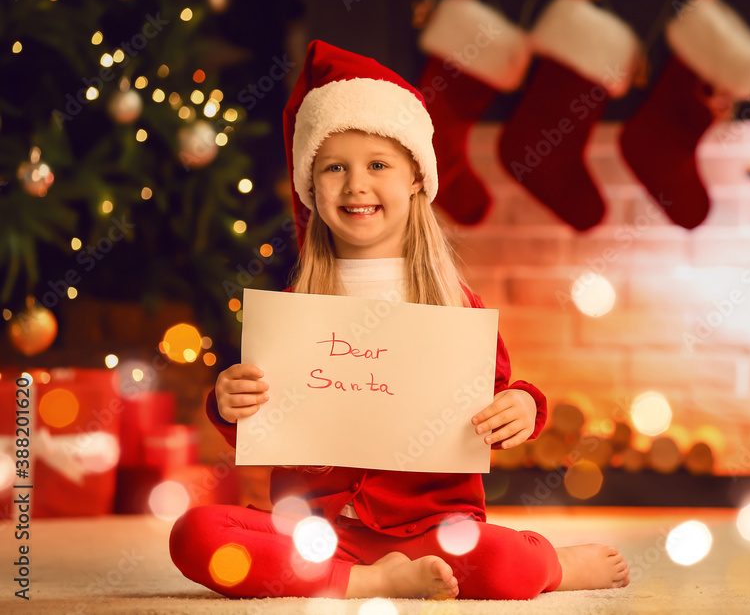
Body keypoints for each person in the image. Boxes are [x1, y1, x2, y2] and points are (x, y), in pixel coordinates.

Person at [168, 40, 630, 601]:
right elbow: (262, 424)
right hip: (315, 533)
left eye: (378, 165)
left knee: (509, 564)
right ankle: (367, 581)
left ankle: (556, 565)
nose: (356, 184)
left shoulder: (457, 305)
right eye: (334, 167)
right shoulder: (296, 305)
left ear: (416, 177)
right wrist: (228, 403)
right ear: (311, 186)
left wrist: (525, 407)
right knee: (196, 534)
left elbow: (500, 396)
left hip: (437, 533)